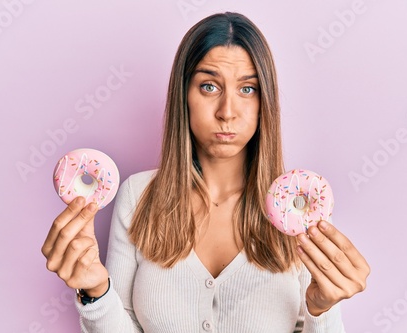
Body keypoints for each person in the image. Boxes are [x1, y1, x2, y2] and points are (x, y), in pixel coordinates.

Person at [42, 12, 370, 333]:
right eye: (209, 86)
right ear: (184, 94)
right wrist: (96, 292)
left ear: (265, 101)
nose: (227, 112)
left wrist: (322, 308)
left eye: (247, 89)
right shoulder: (138, 195)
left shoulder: (299, 212)